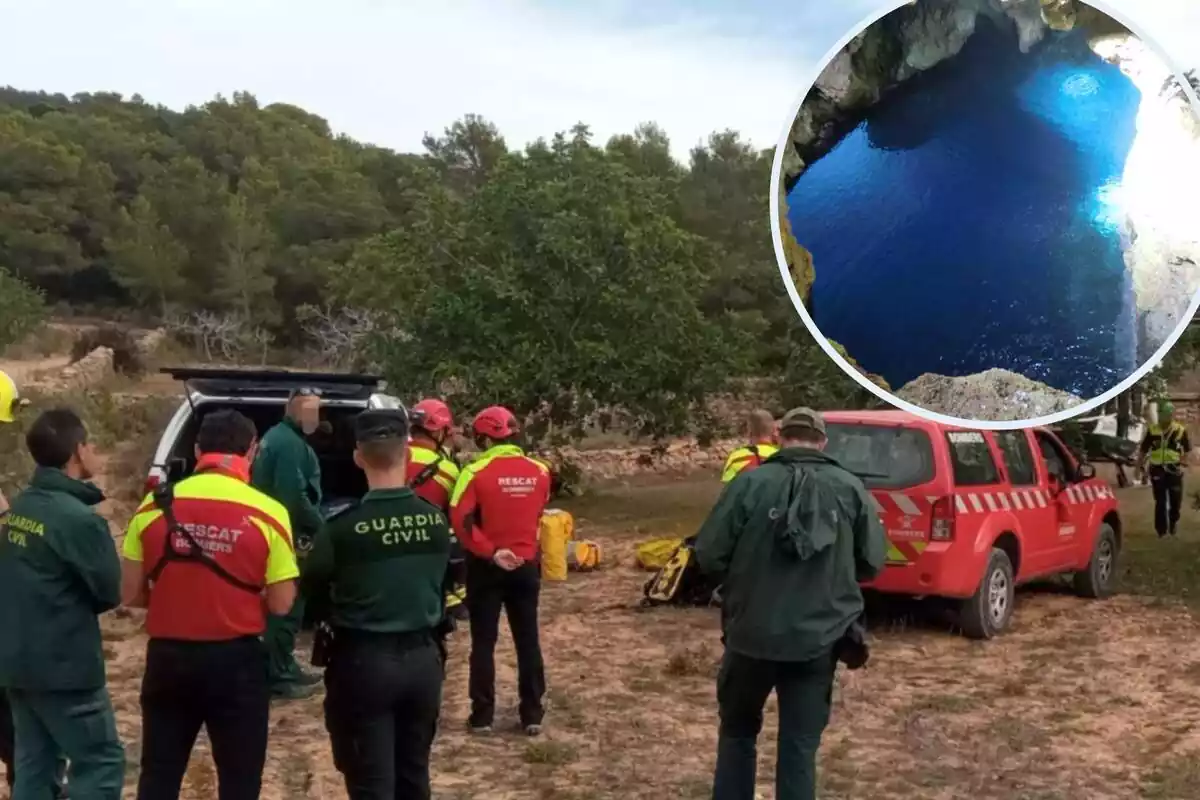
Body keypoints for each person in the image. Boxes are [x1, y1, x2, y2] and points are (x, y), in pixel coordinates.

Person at [693, 407, 888, 800]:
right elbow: (871, 563)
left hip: (750, 635)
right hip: (818, 639)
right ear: (823, 442)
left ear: (779, 437)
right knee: (800, 745)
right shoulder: (850, 488)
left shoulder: (749, 484)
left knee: (737, 734)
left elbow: (709, 554)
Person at [120, 409, 299, 800]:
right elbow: (283, 604)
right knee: (239, 779)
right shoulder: (269, 512)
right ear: (250, 452)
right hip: (236, 663)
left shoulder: (151, 507)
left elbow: (130, 593)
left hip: (168, 658)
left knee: (159, 775)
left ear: (199, 449)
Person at [303, 408, 452, 799]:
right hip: (424, 660)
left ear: (357, 456)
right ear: (407, 451)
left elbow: (312, 595)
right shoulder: (435, 521)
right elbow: (445, 581)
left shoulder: (341, 528)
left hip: (363, 664)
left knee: (371, 783)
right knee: (414, 775)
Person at [0, 408, 125, 800]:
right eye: (90, 444)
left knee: (34, 765)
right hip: (66, 670)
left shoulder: (19, 507)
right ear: (76, 452)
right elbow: (109, 592)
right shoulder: (79, 521)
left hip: (17, 664)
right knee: (100, 762)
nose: (94, 452)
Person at [450, 406, 552, 736]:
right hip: (526, 565)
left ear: (483, 438)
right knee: (528, 639)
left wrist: (493, 553)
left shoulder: (474, 471)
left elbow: (461, 521)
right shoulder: (540, 471)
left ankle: (482, 716)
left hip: (487, 566)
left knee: (484, 642)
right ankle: (532, 713)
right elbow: (536, 512)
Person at [251, 387, 325, 699]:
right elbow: (292, 497)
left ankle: (282, 666)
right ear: (293, 410)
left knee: (282, 607)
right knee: (287, 607)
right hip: (287, 534)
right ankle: (278, 675)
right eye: (310, 412)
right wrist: (321, 528)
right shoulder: (288, 444)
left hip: (277, 530)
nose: (316, 419)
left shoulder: (279, 437)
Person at [407, 399, 466, 619]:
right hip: (434, 544)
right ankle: (454, 596)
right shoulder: (448, 470)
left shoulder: (392, 458)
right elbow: (458, 510)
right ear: (438, 431)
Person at [1139, 399, 1192, 538]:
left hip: (1174, 469)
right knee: (1160, 501)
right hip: (1157, 468)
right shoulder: (1152, 430)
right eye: (1162, 415)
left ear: (1172, 415)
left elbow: (1187, 450)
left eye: (1167, 415)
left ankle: (1173, 521)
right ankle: (1161, 531)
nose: (1165, 418)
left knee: (1175, 500)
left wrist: (1184, 463)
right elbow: (1143, 450)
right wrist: (1139, 466)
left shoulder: (1180, 430)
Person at [720, 409, 780, 483]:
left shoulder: (736, 457)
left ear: (749, 432)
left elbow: (726, 488)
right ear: (774, 431)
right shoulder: (782, 456)